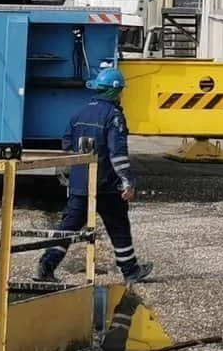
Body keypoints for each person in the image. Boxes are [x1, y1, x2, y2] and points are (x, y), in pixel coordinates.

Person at [35, 63, 150, 285]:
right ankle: (130, 270)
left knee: (67, 228)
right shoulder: (113, 116)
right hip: (106, 185)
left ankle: (46, 265)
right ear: (115, 90)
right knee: (118, 227)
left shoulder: (80, 112)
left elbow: (67, 144)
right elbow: (118, 153)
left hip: (80, 183)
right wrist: (128, 181)